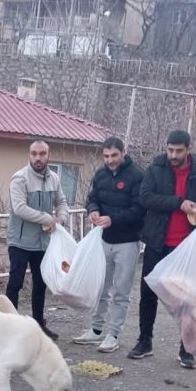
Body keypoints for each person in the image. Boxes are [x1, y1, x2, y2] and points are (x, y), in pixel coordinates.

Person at [128, 129, 196, 368]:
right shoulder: (156, 167)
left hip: (187, 246)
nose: (173, 155)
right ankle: (145, 340)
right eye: (170, 150)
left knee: (187, 297)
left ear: (189, 149)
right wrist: (178, 203)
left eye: (179, 150)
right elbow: (145, 197)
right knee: (148, 293)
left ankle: (186, 348)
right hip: (158, 240)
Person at [73, 136, 144, 353]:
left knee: (121, 291)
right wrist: (93, 210)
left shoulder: (137, 176)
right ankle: (95, 330)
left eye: (114, 155)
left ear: (123, 153)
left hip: (128, 241)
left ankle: (113, 334)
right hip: (103, 240)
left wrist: (113, 219)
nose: (110, 160)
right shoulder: (101, 174)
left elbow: (139, 209)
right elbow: (92, 198)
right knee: (101, 287)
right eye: (106, 156)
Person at [6, 140, 70, 340]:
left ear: (48, 155)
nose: (38, 158)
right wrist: (48, 218)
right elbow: (19, 208)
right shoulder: (19, 179)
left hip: (43, 241)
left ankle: (38, 326)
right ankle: (9, 327)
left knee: (41, 283)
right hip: (19, 241)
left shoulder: (54, 179)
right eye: (34, 153)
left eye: (42, 154)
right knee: (15, 284)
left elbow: (61, 202)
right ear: (29, 155)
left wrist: (61, 218)